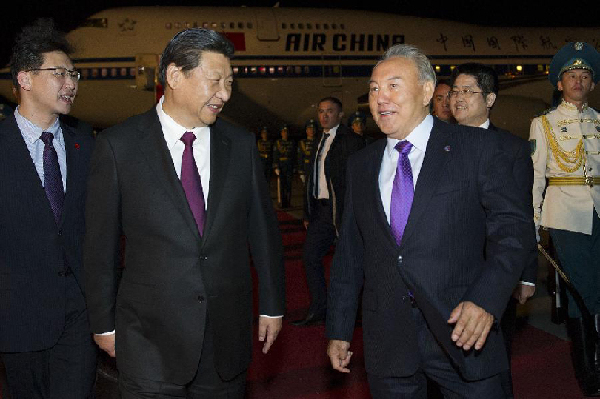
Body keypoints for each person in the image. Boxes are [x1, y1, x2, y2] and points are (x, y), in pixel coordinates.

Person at [83, 28, 285, 398]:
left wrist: (272, 305)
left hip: (225, 338)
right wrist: (103, 322)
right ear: (175, 76)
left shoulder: (240, 145)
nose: (224, 93)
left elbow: (263, 231)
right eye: (215, 80)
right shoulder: (119, 146)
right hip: (148, 340)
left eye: (229, 82)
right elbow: (100, 245)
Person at [326, 44, 536, 398]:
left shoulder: (477, 149)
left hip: (464, 330)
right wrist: (340, 328)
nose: (380, 98)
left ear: (426, 90)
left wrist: (486, 299)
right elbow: (350, 253)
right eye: (374, 88)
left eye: (393, 85)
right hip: (388, 339)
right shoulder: (361, 165)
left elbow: (514, 233)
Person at [0, 19, 97, 399]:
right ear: (25, 79)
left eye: (74, 74)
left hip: (79, 313)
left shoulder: (87, 147)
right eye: (59, 73)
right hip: (16, 314)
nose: (71, 83)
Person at [449, 62, 537, 398]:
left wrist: (526, 275)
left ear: (490, 99)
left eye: (468, 91)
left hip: (494, 272)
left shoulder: (511, 148)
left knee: (491, 360)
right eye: (455, 91)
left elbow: (521, 217)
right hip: (446, 270)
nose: (458, 98)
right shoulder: (437, 144)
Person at [530, 42, 600, 397]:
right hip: (565, 217)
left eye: (584, 76)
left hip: (598, 215)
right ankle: (589, 371)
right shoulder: (543, 124)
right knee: (583, 290)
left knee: (590, 292)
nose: (578, 81)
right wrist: (534, 220)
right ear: (559, 83)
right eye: (571, 75)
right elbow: (535, 176)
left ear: (592, 83)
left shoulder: (599, 122)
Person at [292, 97, 364, 326]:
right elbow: (312, 177)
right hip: (320, 212)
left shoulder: (352, 141)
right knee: (310, 257)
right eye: (321, 111)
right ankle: (320, 307)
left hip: (342, 212)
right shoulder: (316, 141)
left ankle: (356, 311)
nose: (324, 116)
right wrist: (307, 212)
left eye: (329, 111)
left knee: (349, 264)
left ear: (340, 115)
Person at [273, 124, 296, 208]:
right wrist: (276, 166)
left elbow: (294, 155)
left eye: (286, 132)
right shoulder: (278, 143)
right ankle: (282, 203)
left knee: (289, 186)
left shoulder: (292, 142)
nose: (285, 133)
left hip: (289, 166)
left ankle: (288, 202)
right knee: (281, 186)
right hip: (281, 166)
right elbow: (275, 155)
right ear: (281, 133)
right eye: (283, 132)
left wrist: (294, 166)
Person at [298, 119, 317, 184]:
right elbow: (300, 157)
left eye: (313, 129)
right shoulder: (302, 143)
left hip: (317, 168)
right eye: (309, 129)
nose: (312, 131)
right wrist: (301, 172)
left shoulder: (319, 142)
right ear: (306, 131)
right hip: (307, 168)